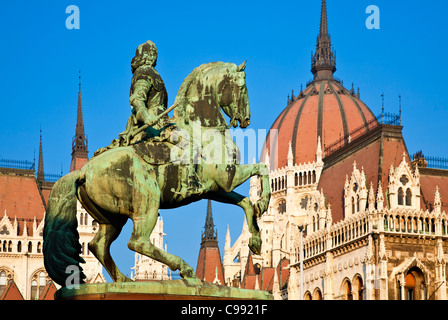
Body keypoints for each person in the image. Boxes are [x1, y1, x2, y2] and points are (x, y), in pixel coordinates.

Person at [94, 40, 202, 198]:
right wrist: (147, 116)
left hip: (160, 122)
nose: (154, 56)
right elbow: (138, 100)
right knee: (189, 143)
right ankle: (190, 184)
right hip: (156, 125)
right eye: (151, 53)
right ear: (144, 56)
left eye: (155, 54)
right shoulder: (145, 72)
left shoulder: (148, 72)